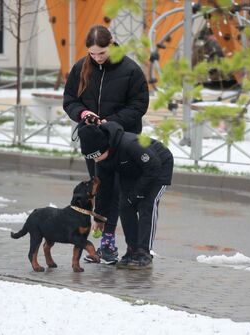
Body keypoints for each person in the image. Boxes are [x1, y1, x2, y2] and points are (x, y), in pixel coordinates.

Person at [63, 24, 149, 264]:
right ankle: (106, 243)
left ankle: (114, 241)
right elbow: (69, 100)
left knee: (120, 192)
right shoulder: (81, 67)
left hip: (123, 141)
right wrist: (83, 114)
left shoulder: (131, 70)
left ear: (112, 45)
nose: (97, 58)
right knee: (100, 189)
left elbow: (139, 105)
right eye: (92, 53)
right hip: (93, 142)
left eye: (101, 53)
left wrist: (110, 122)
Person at [77, 121, 173, 269]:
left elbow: (152, 168)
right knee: (125, 206)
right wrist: (99, 217)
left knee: (146, 205)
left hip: (158, 167)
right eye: (93, 158)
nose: (96, 160)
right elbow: (104, 188)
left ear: (105, 146)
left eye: (98, 156)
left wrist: (137, 195)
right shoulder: (101, 159)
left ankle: (144, 252)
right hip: (132, 171)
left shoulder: (130, 144)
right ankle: (132, 249)